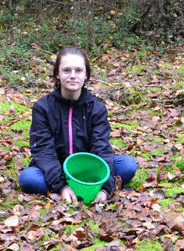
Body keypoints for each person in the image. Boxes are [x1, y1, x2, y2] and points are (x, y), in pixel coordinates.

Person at [19, 46, 137, 203]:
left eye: (78, 71)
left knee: (128, 165)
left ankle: (89, 188)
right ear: (57, 74)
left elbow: (102, 148)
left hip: (89, 171)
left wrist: (105, 188)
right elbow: (43, 151)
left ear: (86, 74)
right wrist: (62, 187)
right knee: (28, 178)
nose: (72, 76)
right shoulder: (43, 107)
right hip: (57, 171)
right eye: (66, 70)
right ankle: (74, 191)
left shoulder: (96, 108)